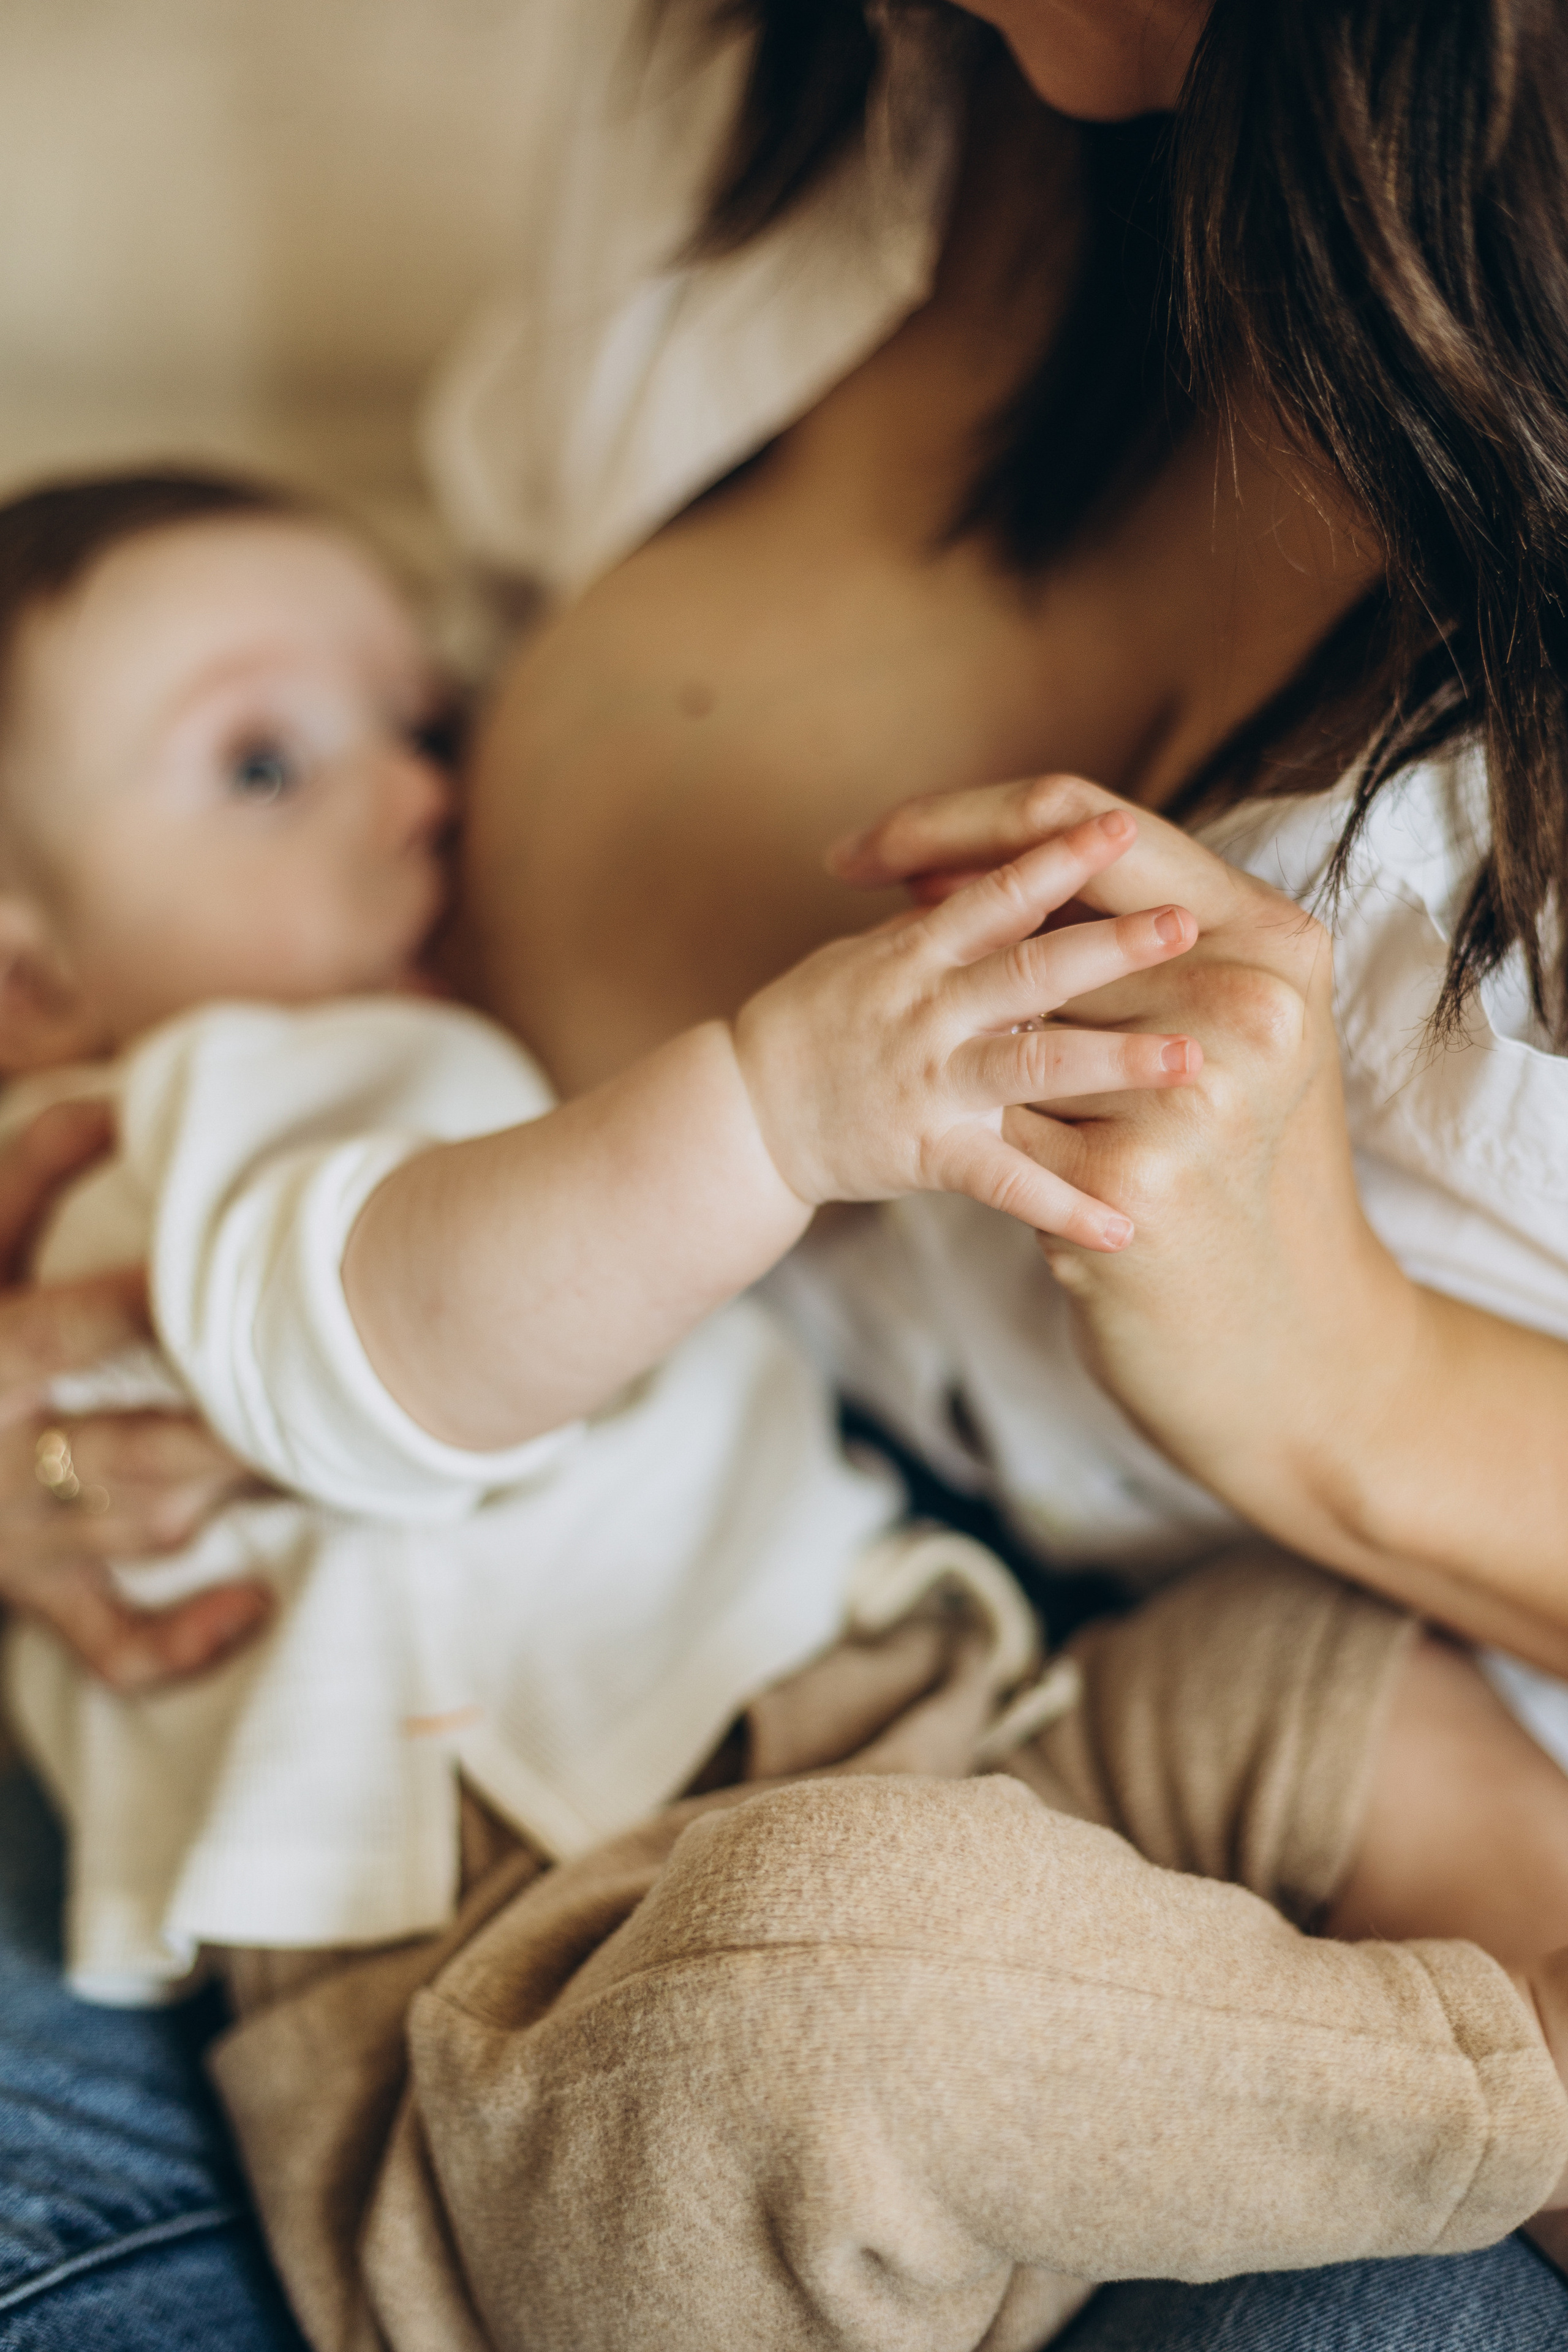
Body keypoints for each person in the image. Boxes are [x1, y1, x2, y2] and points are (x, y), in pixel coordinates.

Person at [6, 0, 1568, 2343]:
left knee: (1311, 1689)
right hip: (521, 1963)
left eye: (411, 732)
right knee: (794, 2002)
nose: (424, 785)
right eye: (266, 763)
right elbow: (372, 1337)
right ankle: (1489, 2089)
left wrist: (1343, 1381)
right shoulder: (214, 1100)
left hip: (947, 1703)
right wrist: (764, 1113)